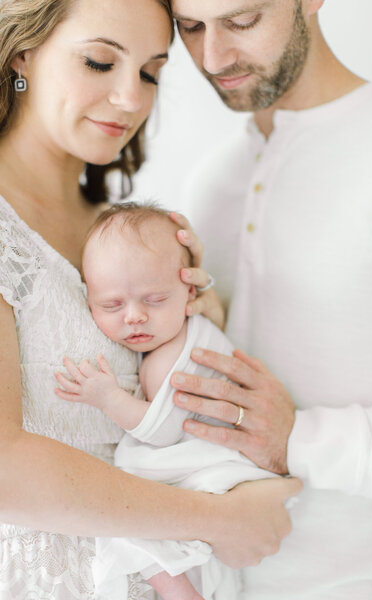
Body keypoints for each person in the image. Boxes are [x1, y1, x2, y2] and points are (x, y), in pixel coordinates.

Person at [0, 0, 301, 598]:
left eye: (150, 72)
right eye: (99, 62)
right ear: (22, 51)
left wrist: (195, 333)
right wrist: (221, 520)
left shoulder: (126, 239)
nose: (132, 99)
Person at [164, 0, 372, 598]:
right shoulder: (208, 183)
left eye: (241, 21)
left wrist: (300, 439)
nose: (213, 58)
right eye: (191, 28)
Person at [55, 202, 280, 600]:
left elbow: (159, 433)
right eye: (111, 305)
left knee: (129, 527)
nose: (135, 316)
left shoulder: (175, 356)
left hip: (217, 475)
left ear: (189, 291)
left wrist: (107, 397)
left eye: (155, 300)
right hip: (211, 471)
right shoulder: (173, 337)